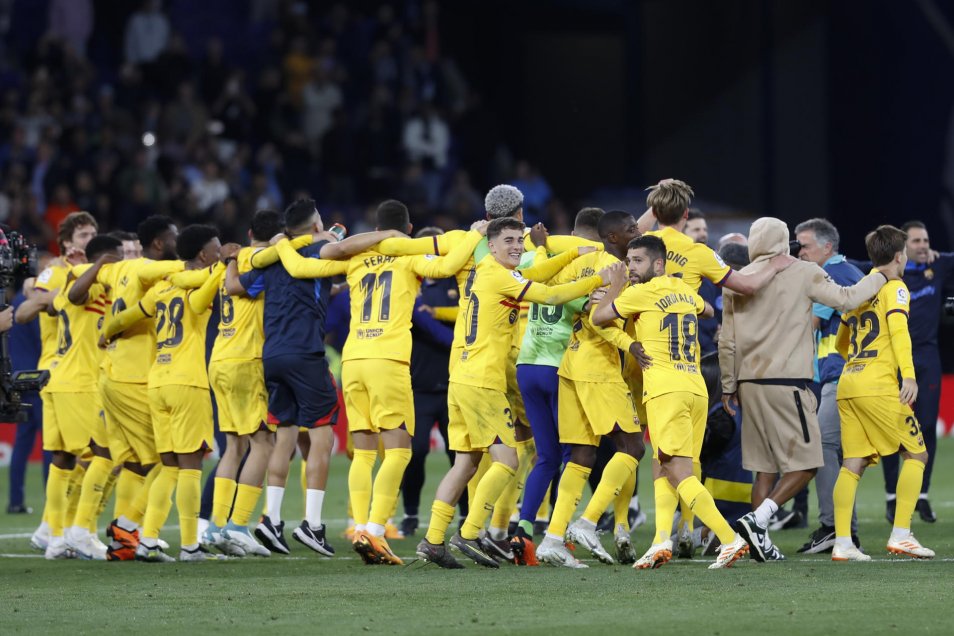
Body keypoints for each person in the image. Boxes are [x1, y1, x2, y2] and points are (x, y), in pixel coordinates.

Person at [275, 200, 485, 565]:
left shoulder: (356, 257)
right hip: (387, 360)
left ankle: (360, 527)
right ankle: (374, 530)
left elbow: (301, 267)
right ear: (408, 229)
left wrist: (280, 244)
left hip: (353, 361)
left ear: (375, 228)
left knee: (364, 452)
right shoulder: (407, 254)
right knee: (399, 451)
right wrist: (473, 234)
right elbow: (448, 266)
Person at [415, 217, 616, 569]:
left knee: (465, 463)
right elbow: (550, 294)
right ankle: (470, 532)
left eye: (519, 241)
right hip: (483, 381)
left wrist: (570, 257)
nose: (516, 247)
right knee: (508, 460)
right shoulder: (498, 275)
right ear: (491, 246)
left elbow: (534, 275)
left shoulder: (486, 270)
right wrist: (598, 279)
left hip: (461, 377)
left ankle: (433, 541)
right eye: (507, 241)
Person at [719, 217, 890, 562]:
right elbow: (846, 299)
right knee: (809, 463)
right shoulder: (802, 271)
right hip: (786, 382)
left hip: (748, 384)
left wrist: (728, 386)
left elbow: (727, 340)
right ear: (784, 241)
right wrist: (881, 275)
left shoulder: (739, 279)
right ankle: (757, 520)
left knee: (765, 468)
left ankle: (760, 545)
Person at [235, 199, 398, 556]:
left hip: (272, 354)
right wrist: (385, 233)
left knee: (284, 437)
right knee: (322, 439)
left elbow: (236, 286)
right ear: (314, 227)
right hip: (305, 354)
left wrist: (232, 259)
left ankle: (272, 520)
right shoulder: (316, 249)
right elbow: (340, 248)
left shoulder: (275, 257)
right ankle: (312, 525)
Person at [636, 180, 788, 559]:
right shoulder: (697, 252)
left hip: (647, 360)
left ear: (655, 211)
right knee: (685, 456)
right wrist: (775, 265)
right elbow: (746, 285)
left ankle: (668, 536)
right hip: (690, 363)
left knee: (663, 457)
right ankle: (681, 531)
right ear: (687, 214)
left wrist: (656, 204)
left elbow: (630, 232)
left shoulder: (641, 248)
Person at [593, 234, 752, 570]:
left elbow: (598, 317)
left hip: (666, 391)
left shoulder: (641, 293)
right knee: (665, 464)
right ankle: (661, 540)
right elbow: (708, 310)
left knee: (678, 472)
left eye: (638, 261)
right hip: (694, 388)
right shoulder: (683, 290)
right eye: (629, 261)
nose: (631, 267)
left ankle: (729, 538)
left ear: (658, 264)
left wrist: (616, 285)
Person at [106, 225, 234, 562]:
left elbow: (128, 316)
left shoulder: (161, 288)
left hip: (157, 382)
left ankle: (147, 541)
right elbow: (201, 300)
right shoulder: (203, 282)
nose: (220, 252)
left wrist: (106, 331)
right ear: (203, 255)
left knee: (169, 466)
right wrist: (224, 266)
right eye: (216, 249)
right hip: (187, 382)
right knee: (191, 467)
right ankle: (191, 546)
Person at [65, 215, 183, 560]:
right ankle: (128, 526)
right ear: (159, 244)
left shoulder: (117, 270)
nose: (178, 242)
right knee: (169, 460)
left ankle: (114, 536)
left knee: (126, 460)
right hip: (134, 378)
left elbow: (74, 292)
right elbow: (191, 269)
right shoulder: (148, 269)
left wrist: (98, 264)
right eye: (174, 237)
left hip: (111, 374)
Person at [535, 210, 644, 569]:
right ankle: (587, 522)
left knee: (581, 456)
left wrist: (541, 249)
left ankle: (553, 539)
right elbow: (601, 320)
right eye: (631, 229)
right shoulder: (618, 270)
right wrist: (630, 344)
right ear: (613, 237)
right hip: (598, 367)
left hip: (570, 363)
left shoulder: (584, 263)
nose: (637, 231)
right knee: (632, 446)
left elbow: (548, 288)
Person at [830, 225, 933, 561]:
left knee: (853, 463)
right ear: (900, 256)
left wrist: (859, 364)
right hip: (878, 386)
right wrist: (909, 376)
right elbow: (899, 332)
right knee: (917, 455)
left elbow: (841, 343)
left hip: (849, 383)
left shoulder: (858, 290)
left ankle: (842, 543)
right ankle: (902, 534)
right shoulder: (895, 287)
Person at [510, 207, 602, 565]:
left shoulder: (534, 260)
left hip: (526, 365)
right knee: (571, 456)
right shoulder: (582, 267)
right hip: (557, 369)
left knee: (544, 456)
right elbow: (589, 309)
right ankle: (557, 533)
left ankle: (522, 530)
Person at [24, 236, 123, 560]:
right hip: (79, 383)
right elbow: (68, 296)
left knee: (63, 460)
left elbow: (46, 304)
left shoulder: (77, 283)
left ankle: (54, 536)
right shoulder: (83, 285)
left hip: (60, 378)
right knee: (103, 455)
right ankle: (81, 530)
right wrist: (96, 266)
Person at [198, 210, 287, 558]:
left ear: (250, 233)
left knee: (233, 446)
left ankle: (216, 526)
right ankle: (237, 526)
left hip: (219, 357)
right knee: (263, 443)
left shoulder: (230, 262)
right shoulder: (268, 260)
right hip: (248, 359)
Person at [18, 211, 98, 552]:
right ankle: (74, 529)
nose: (89, 240)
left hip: (63, 374)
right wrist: (47, 294)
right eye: (83, 235)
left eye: (93, 234)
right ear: (66, 243)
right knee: (94, 455)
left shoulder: (86, 270)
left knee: (62, 457)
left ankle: (50, 530)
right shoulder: (57, 272)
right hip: (69, 374)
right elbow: (26, 309)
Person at [792, 218, 864, 554]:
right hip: (852, 375)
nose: (800, 252)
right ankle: (844, 528)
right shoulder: (850, 272)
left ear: (827, 247)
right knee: (844, 453)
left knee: (822, 446)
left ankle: (834, 527)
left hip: (843, 376)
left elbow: (808, 324)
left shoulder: (828, 275)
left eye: (804, 245)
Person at [878, 221, 954, 523]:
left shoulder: (940, 265)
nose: (923, 245)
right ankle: (891, 496)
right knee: (890, 430)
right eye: (917, 241)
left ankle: (921, 495)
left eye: (926, 240)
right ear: (903, 248)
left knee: (927, 427)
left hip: (927, 358)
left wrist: (939, 256)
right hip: (894, 360)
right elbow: (852, 266)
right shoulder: (886, 274)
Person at [400, 227, 466, 537]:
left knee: (460, 455)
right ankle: (410, 513)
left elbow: (468, 313)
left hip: (454, 383)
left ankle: (466, 515)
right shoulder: (409, 283)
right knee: (415, 453)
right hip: (419, 385)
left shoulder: (457, 282)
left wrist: (437, 313)